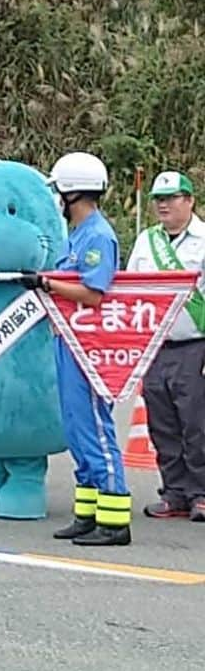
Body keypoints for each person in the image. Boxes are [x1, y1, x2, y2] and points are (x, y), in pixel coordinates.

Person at [36, 152, 131, 546]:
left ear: (72, 193)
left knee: (94, 426)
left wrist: (46, 284)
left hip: (90, 346)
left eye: (58, 190)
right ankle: (88, 513)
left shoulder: (97, 235)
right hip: (69, 340)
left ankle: (115, 518)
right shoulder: (74, 234)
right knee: (76, 428)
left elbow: (94, 292)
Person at [125, 170, 205, 522]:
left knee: (196, 423)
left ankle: (201, 492)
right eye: (159, 198)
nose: (163, 205)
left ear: (189, 201)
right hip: (156, 345)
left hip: (195, 344)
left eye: (171, 198)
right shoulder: (146, 241)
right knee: (162, 423)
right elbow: (130, 289)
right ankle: (174, 492)